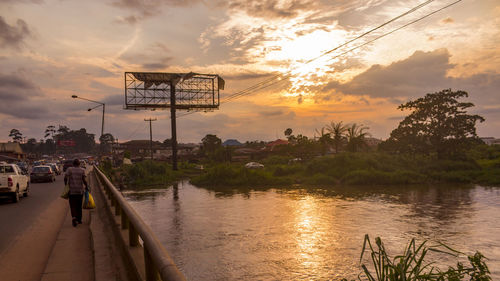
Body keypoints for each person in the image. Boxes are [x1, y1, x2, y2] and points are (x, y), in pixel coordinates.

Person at [64, 159, 89, 227]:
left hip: (72, 191)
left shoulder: (69, 169)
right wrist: (87, 187)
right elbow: (84, 180)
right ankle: (79, 219)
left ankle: (74, 218)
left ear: (73, 164)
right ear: (79, 164)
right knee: (79, 205)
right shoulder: (82, 170)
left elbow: (65, 177)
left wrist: (66, 185)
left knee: (72, 206)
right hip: (80, 191)